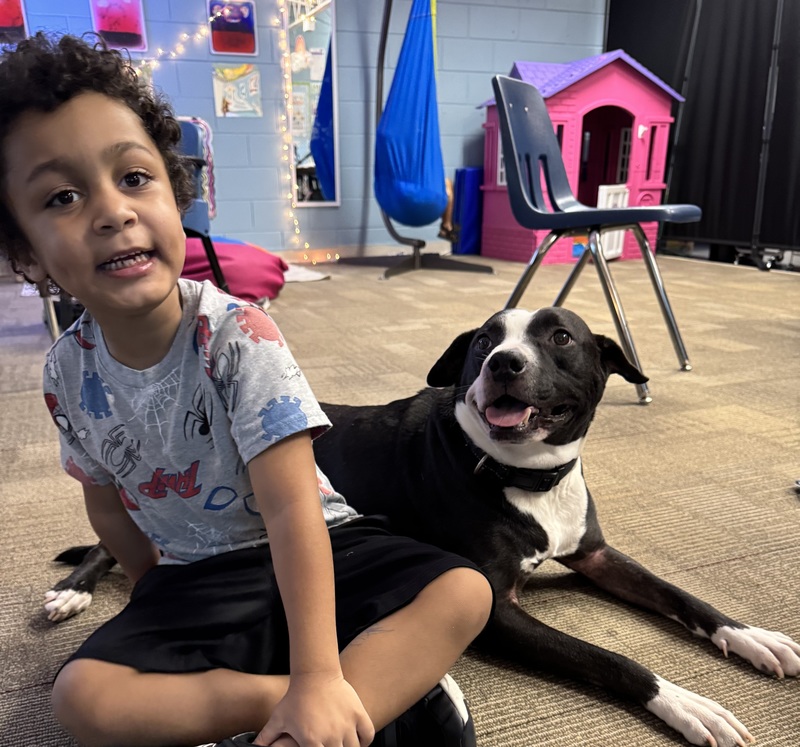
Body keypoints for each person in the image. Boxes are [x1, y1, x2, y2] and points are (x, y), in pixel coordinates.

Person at [0, 33, 493, 747]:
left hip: (320, 545)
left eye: (134, 178)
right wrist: (154, 589)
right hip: (199, 576)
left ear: (178, 195)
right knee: (81, 698)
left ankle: (329, 697)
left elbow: (294, 509)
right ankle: (346, 705)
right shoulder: (64, 372)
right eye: (64, 196)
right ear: (23, 250)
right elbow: (105, 507)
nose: (112, 212)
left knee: (464, 589)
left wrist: (320, 672)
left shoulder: (237, 334)